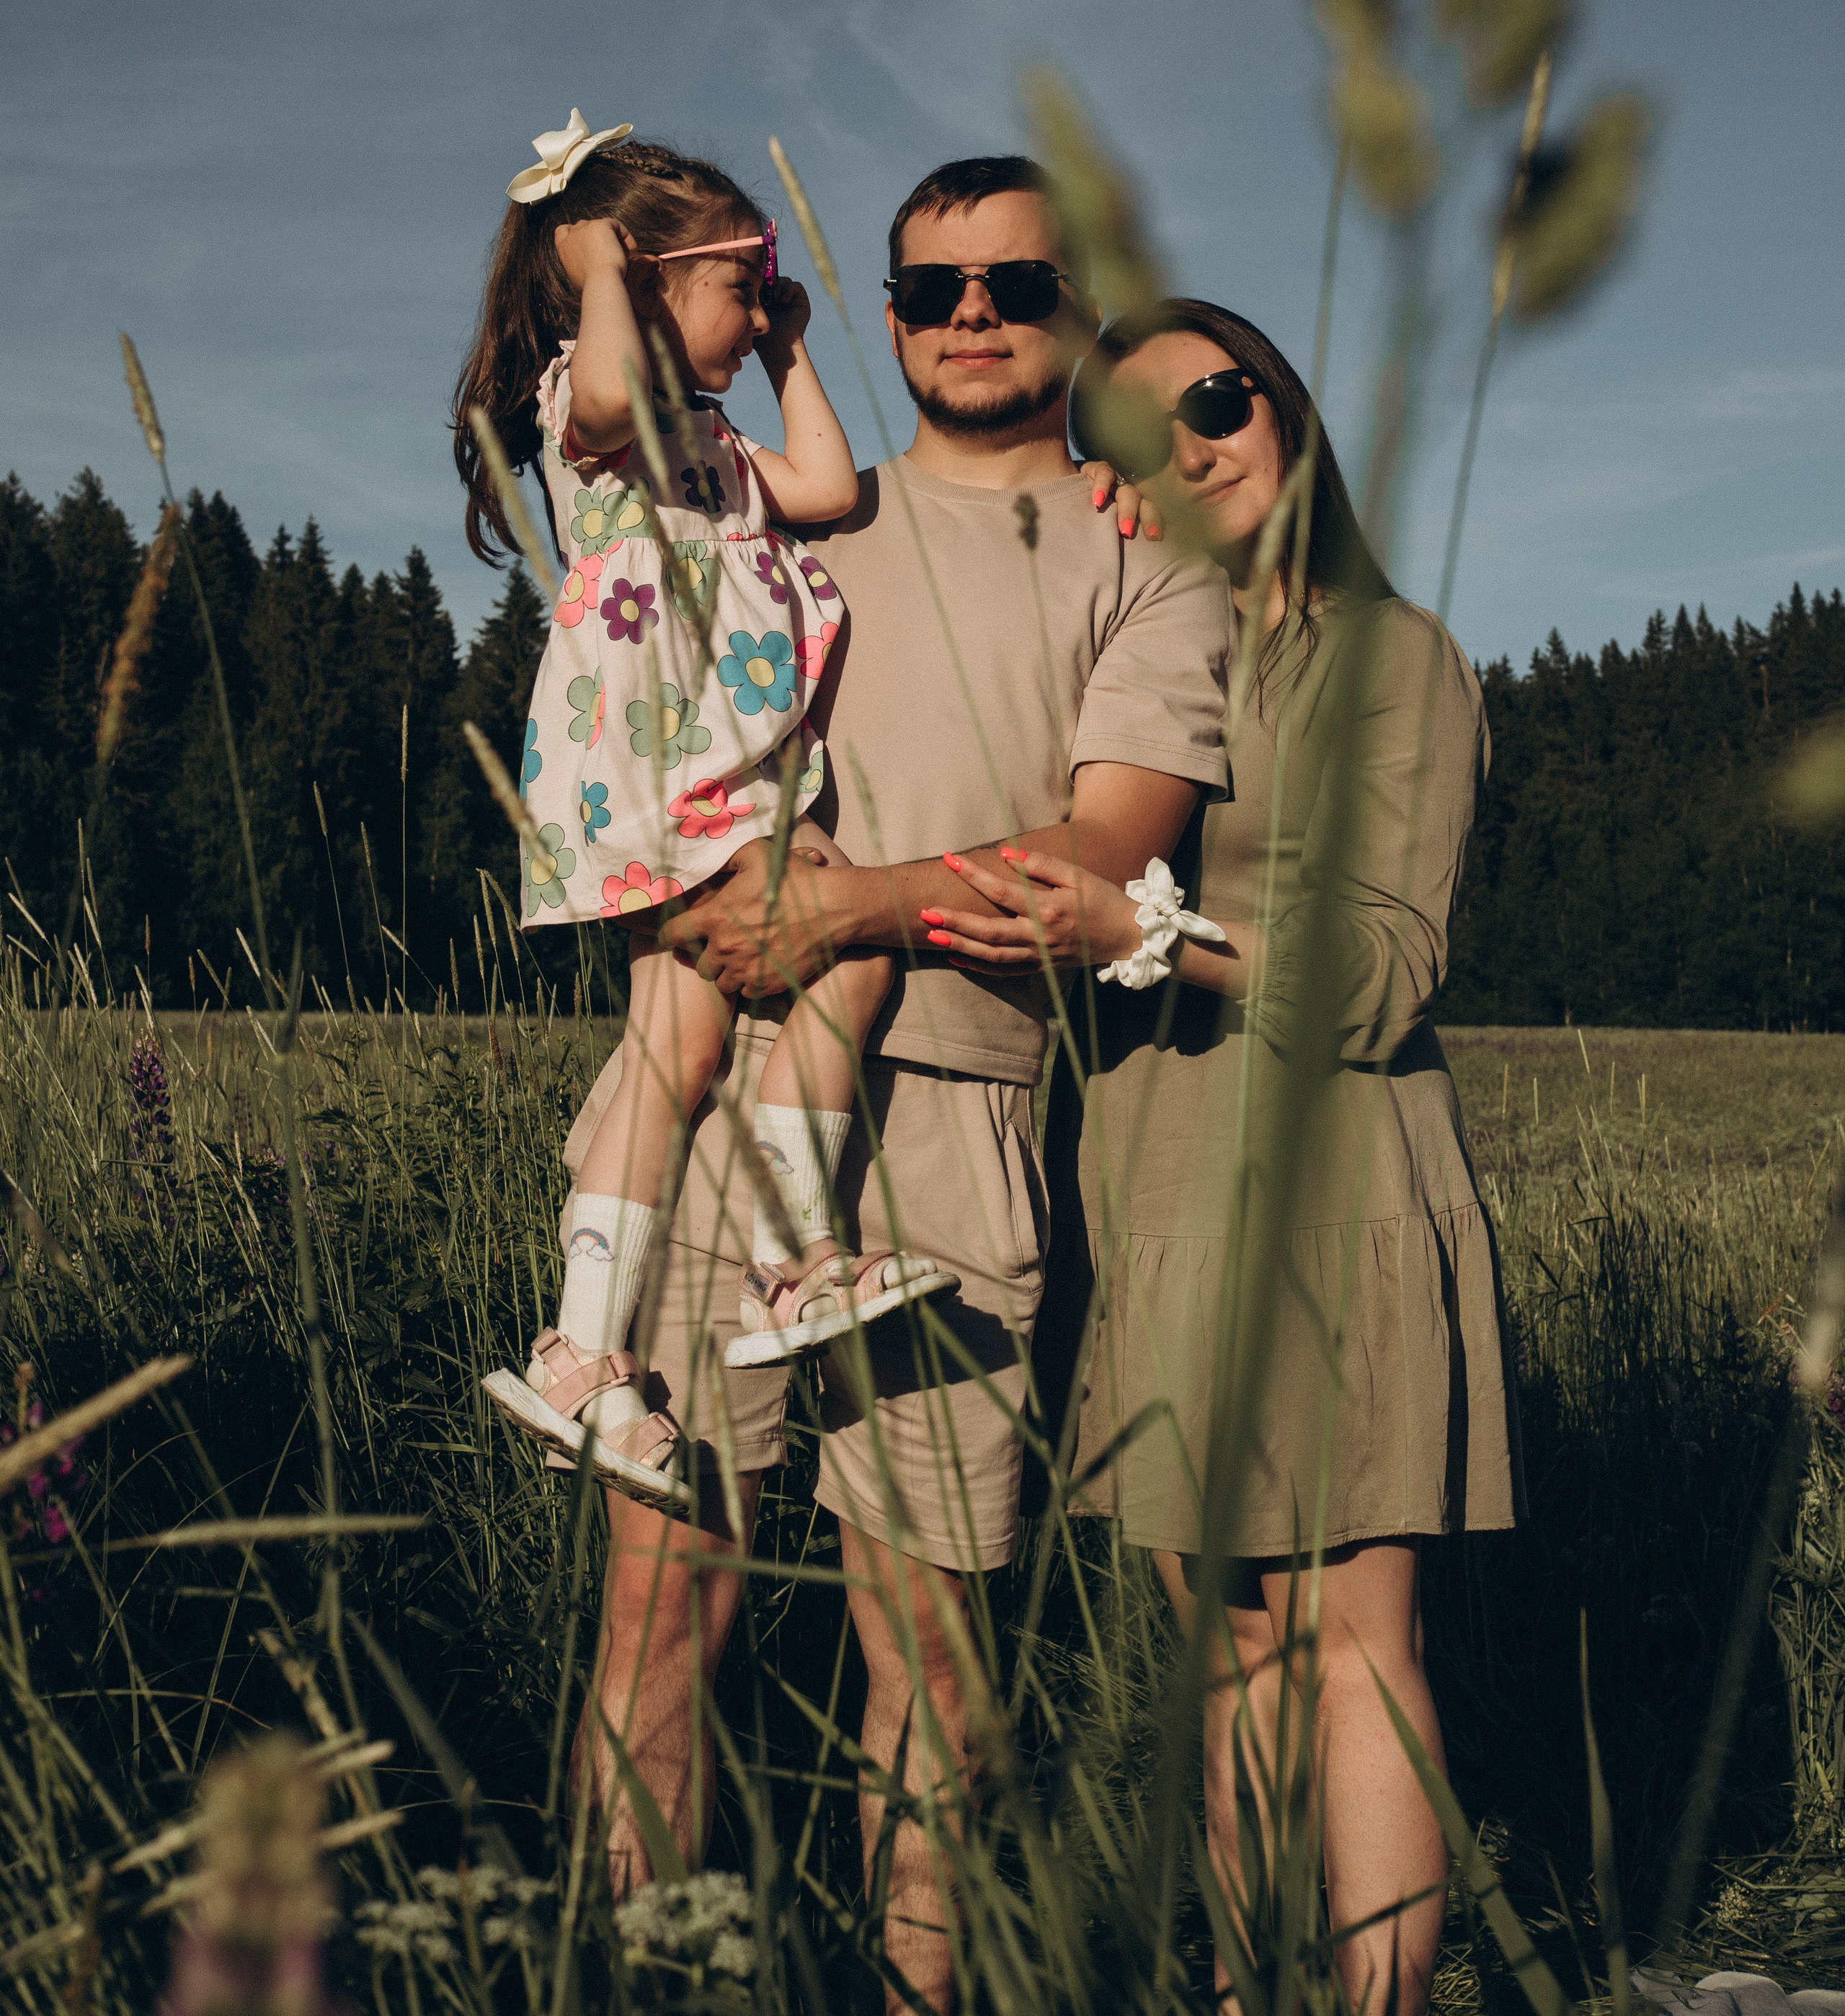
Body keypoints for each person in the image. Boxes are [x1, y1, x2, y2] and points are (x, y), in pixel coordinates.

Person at [562, 158, 1234, 2010]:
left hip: (955, 1118)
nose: (969, 316)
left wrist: (850, 903)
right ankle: (641, 1986)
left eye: (1015, 284)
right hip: (710, 1092)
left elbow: (1108, 861)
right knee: (658, 1611)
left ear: (1078, 309)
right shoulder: (783, 496)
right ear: (872, 313)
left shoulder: (1146, 567)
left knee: (927, 1656)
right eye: (930, 287)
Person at [927, 298, 1524, 2016]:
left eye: (1216, 398)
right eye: (1136, 439)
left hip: (1334, 1191)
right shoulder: (1139, 663)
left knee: (1352, 1648)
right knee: (1230, 1650)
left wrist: (1144, 929)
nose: (1190, 445)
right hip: (1156, 1192)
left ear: (1284, 408)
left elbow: (1384, 962)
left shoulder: (1387, 656)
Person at [451, 113, 955, 1515]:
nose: (759, 304)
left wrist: (788, 348)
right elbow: (611, 396)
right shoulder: (589, 402)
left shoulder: (719, 442)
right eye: (743, 283)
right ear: (639, 277)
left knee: (669, 1053)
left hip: (694, 780)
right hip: (676, 776)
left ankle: (580, 1355)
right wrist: (605, 278)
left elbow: (829, 490)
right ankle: (796, 1258)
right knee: (853, 954)